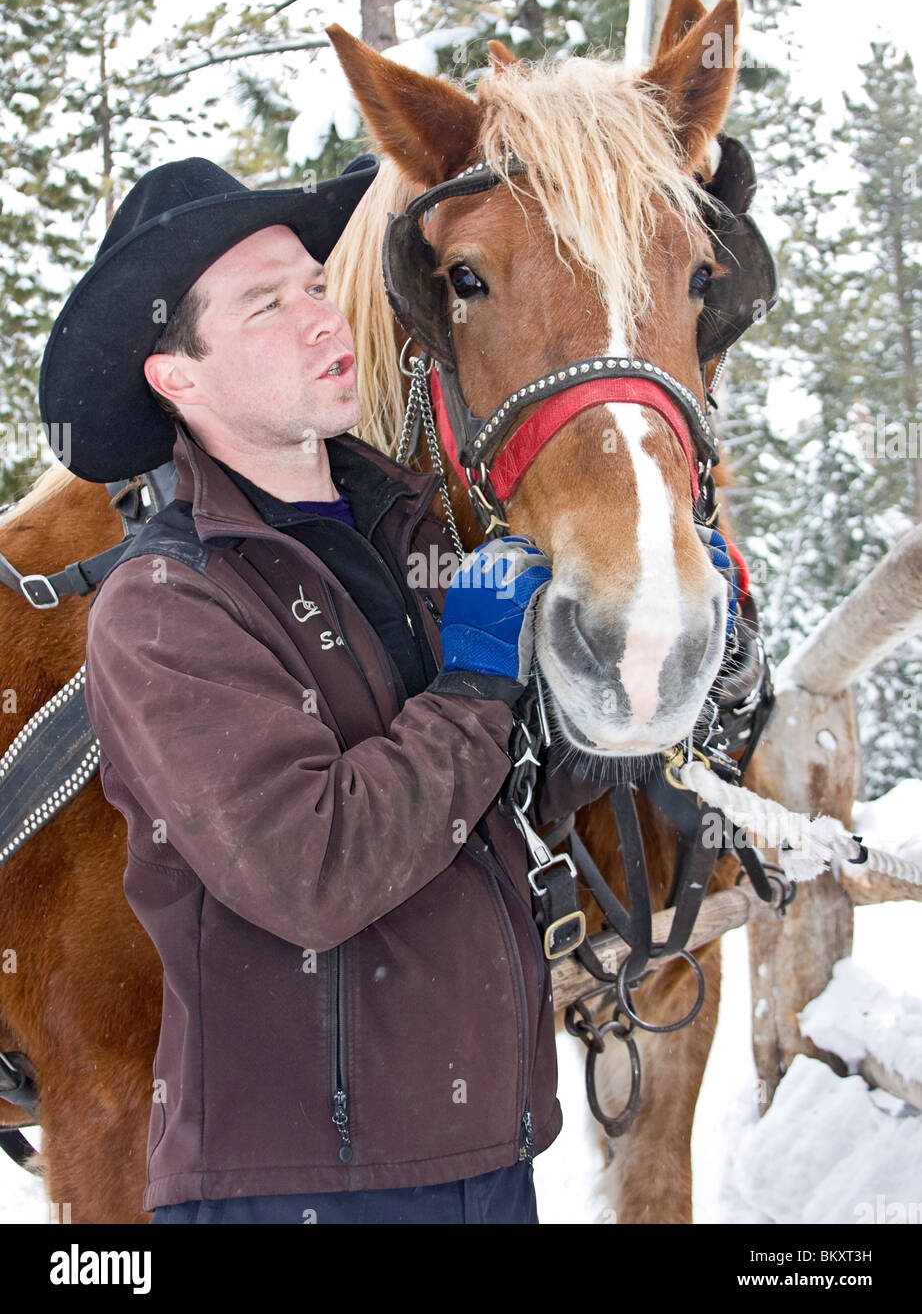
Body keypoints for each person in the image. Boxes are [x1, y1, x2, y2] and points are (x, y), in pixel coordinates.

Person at [40, 154, 610, 1225]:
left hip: (485, 1155)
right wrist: (481, 680)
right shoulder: (166, 602)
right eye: (266, 306)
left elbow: (503, 804)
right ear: (181, 377)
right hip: (300, 1188)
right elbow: (311, 868)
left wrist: (613, 672)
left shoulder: (412, 543)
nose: (320, 318)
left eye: (312, 284)